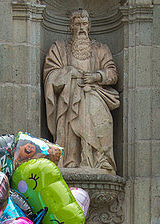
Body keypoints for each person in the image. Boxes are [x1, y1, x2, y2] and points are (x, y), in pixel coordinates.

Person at [42, 9, 120, 173]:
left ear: (89, 26)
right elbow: (50, 74)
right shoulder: (60, 48)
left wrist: (97, 76)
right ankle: (71, 159)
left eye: (84, 24)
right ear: (71, 27)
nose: (81, 28)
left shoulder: (100, 49)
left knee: (103, 121)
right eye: (77, 24)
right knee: (72, 117)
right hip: (69, 98)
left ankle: (100, 159)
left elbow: (112, 73)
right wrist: (68, 73)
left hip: (95, 93)